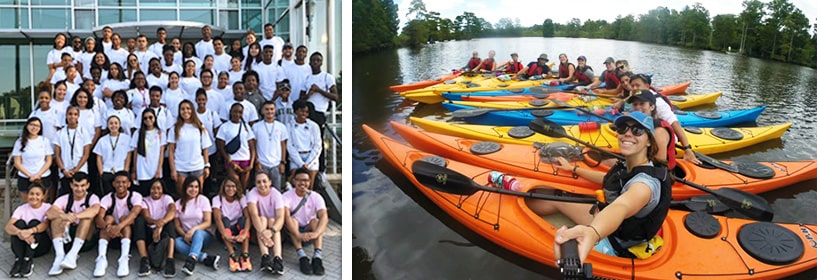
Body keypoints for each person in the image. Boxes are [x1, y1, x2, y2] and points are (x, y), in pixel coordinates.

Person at [539, 112, 672, 264]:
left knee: (553, 242)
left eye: (637, 130)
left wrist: (593, 232)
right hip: (605, 217)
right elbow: (609, 179)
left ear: (649, 141)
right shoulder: (630, 164)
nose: (628, 134)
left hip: (615, 240)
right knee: (555, 196)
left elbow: (622, 206)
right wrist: (573, 169)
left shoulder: (644, 185)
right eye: (623, 129)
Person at [629, 73, 700, 165]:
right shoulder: (638, 97)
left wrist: (687, 149)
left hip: (663, 136)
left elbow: (675, 124)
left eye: (637, 85)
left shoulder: (659, 104)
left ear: (647, 86)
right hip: (648, 131)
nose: (634, 88)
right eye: (632, 86)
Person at [46, 172, 100, 276]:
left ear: (88, 185)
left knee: (87, 217)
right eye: (76, 185)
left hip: (85, 241)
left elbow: (94, 210)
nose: (79, 189)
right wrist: (64, 217)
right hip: (67, 238)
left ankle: (73, 255)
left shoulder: (93, 197)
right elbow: (50, 212)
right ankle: (59, 256)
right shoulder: (64, 198)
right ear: (71, 185)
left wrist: (74, 217)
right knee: (56, 218)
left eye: (83, 186)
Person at [93, 171, 144, 277]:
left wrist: (119, 227)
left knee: (125, 219)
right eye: (118, 182)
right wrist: (108, 227)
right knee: (108, 218)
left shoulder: (135, 196)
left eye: (124, 182)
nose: (121, 185)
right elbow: (99, 217)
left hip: (127, 234)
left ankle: (124, 258)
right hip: (110, 234)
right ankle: (102, 258)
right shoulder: (108, 198)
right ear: (113, 184)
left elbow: (135, 213)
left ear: (129, 184)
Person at [284, 167, 328, 275]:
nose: (302, 183)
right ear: (294, 181)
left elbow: (324, 216)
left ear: (309, 182)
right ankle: (302, 256)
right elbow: (286, 217)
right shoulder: (286, 196)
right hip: (293, 233)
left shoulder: (316, 196)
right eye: (299, 180)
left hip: (309, 234)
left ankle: (317, 257)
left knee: (316, 222)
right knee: (292, 221)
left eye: (306, 180)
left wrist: (316, 233)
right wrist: (297, 234)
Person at [174, 176, 220, 275]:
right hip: (186, 236)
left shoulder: (203, 200)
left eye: (196, 187)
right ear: (185, 187)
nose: (194, 189)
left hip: (204, 235)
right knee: (177, 242)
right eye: (191, 186)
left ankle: (191, 262)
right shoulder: (178, 204)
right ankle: (205, 258)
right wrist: (185, 236)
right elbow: (177, 225)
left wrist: (193, 230)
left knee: (198, 233)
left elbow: (208, 222)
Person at [300, 52, 337, 172]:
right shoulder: (306, 79)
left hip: (320, 113)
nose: (315, 63)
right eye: (313, 60)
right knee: (307, 142)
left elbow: (336, 97)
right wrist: (309, 94)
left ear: (321, 62)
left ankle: (321, 170)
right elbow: (301, 99)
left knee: (318, 142)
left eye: (318, 60)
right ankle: (308, 167)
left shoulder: (327, 77)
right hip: (307, 112)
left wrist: (319, 90)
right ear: (309, 62)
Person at [5, 184, 52, 278]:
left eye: (37, 194)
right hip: (23, 245)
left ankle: (27, 260)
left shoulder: (47, 207)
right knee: (19, 224)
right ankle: (18, 260)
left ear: (43, 196)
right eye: (31, 194)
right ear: (27, 195)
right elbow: (8, 227)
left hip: (39, 247)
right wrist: (20, 233)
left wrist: (30, 231)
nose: (34, 197)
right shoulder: (22, 208)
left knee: (34, 222)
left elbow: (45, 224)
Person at [168, 100, 212, 197]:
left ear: (192, 110)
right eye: (182, 109)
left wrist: (207, 166)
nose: (185, 111)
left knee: (198, 194)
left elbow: (205, 148)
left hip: (197, 166)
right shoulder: (174, 128)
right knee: (181, 194)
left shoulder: (200, 127)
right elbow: (171, 151)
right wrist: (173, 169)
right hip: (181, 167)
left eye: (188, 108)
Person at [134, 179, 176, 277]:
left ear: (162, 189)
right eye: (153, 188)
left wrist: (162, 224)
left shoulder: (167, 198)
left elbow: (173, 210)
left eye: (158, 188)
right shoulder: (144, 200)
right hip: (149, 231)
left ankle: (170, 260)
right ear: (149, 189)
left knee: (170, 223)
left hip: (163, 231)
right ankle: (144, 260)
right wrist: (156, 223)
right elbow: (147, 217)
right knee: (139, 220)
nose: (156, 191)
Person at [627, 90, 677, 170]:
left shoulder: (658, 130)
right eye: (635, 104)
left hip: (661, 174)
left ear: (652, 107)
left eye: (642, 104)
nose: (638, 107)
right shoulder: (641, 124)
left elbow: (659, 164)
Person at [247, 172, 286, 274]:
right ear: (255, 184)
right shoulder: (252, 193)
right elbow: (254, 215)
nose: (262, 184)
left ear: (270, 182)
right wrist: (264, 235)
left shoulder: (276, 194)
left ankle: (278, 258)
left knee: (273, 220)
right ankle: (265, 256)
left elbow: (280, 217)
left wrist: (271, 231)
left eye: (264, 181)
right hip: (259, 227)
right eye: (258, 182)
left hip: (273, 228)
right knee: (262, 219)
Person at [212, 177, 252, 272]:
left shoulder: (241, 198)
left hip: (238, 231)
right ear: (223, 187)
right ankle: (232, 256)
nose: (231, 189)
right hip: (223, 231)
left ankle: (245, 255)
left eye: (233, 186)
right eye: (228, 186)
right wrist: (225, 235)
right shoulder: (217, 199)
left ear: (237, 188)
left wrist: (244, 234)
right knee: (224, 219)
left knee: (243, 220)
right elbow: (217, 219)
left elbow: (248, 217)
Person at [12, 117, 54, 204]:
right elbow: (17, 162)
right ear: (27, 126)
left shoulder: (44, 140)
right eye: (32, 125)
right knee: (27, 203)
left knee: (42, 203)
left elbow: (49, 160)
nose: (34, 127)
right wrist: (30, 176)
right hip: (25, 177)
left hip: (43, 176)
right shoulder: (19, 142)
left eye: (37, 126)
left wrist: (38, 174)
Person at [54, 107, 93, 197]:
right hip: (65, 171)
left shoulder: (84, 132)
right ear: (66, 116)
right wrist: (63, 170)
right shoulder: (60, 133)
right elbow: (58, 155)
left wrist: (76, 169)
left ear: (78, 116)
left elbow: (86, 154)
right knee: (66, 197)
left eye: (75, 114)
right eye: (70, 114)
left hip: (80, 170)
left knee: (80, 196)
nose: (72, 116)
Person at [216, 103, 256, 189]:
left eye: (239, 112)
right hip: (232, 160)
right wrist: (229, 161)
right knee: (235, 185)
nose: (237, 114)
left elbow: (252, 147)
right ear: (230, 112)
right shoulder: (224, 127)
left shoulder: (246, 127)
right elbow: (221, 147)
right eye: (235, 112)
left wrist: (251, 164)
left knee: (243, 187)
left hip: (245, 159)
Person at [254, 101, 288, 191]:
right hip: (262, 163)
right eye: (267, 109)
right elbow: (253, 145)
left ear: (275, 110)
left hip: (276, 164)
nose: (269, 111)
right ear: (262, 111)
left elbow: (283, 145)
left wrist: (282, 162)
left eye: (272, 109)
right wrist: (257, 161)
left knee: (277, 190)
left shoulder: (281, 127)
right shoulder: (256, 126)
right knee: (261, 189)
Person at [131, 108, 166, 197]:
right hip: (142, 168)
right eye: (145, 118)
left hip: (155, 168)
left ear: (155, 118)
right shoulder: (138, 133)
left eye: (150, 117)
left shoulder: (160, 133)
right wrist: (134, 170)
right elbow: (135, 152)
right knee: (144, 195)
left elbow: (162, 153)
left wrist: (159, 169)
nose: (148, 120)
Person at [94, 115, 132, 196]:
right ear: (107, 125)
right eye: (111, 123)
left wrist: (125, 171)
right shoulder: (102, 140)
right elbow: (99, 157)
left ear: (119, 124)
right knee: (107, 195)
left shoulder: (127, 138)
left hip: (121, 171)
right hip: (107, 171)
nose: (113, 125)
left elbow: (128, 156)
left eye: (116, 123)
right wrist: (101, 172)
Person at [287, 100, 321, 189]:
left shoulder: (314, 126)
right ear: (296, 111)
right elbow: (289, 146)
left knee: (309, 186)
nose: (304, 114)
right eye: (301, 111)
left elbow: (317, 145)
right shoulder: (289, 125)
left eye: (306, 112)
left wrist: (308, 163)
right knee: (296, 184)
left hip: (311, 157)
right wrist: (300, 163)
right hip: (296, 157)